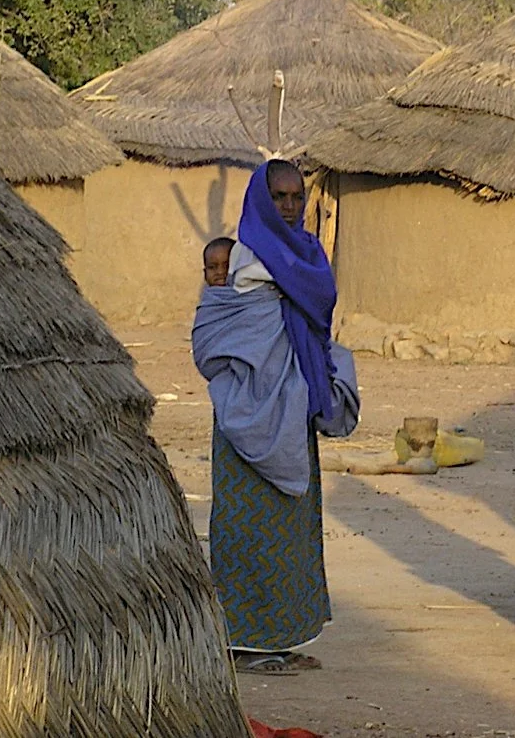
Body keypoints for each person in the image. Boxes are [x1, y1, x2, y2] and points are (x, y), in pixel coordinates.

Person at [192, 160, 360, 675]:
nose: (289, 206)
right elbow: (216, 331)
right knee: (243, 528)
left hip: (292, 408)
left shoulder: (306, 254)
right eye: (279, 197)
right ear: (262, 201)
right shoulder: (241, 257)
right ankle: (242, 641)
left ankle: (280, 637)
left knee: (291, 529)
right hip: (245, 411)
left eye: (296, 197)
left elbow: (316, 309)